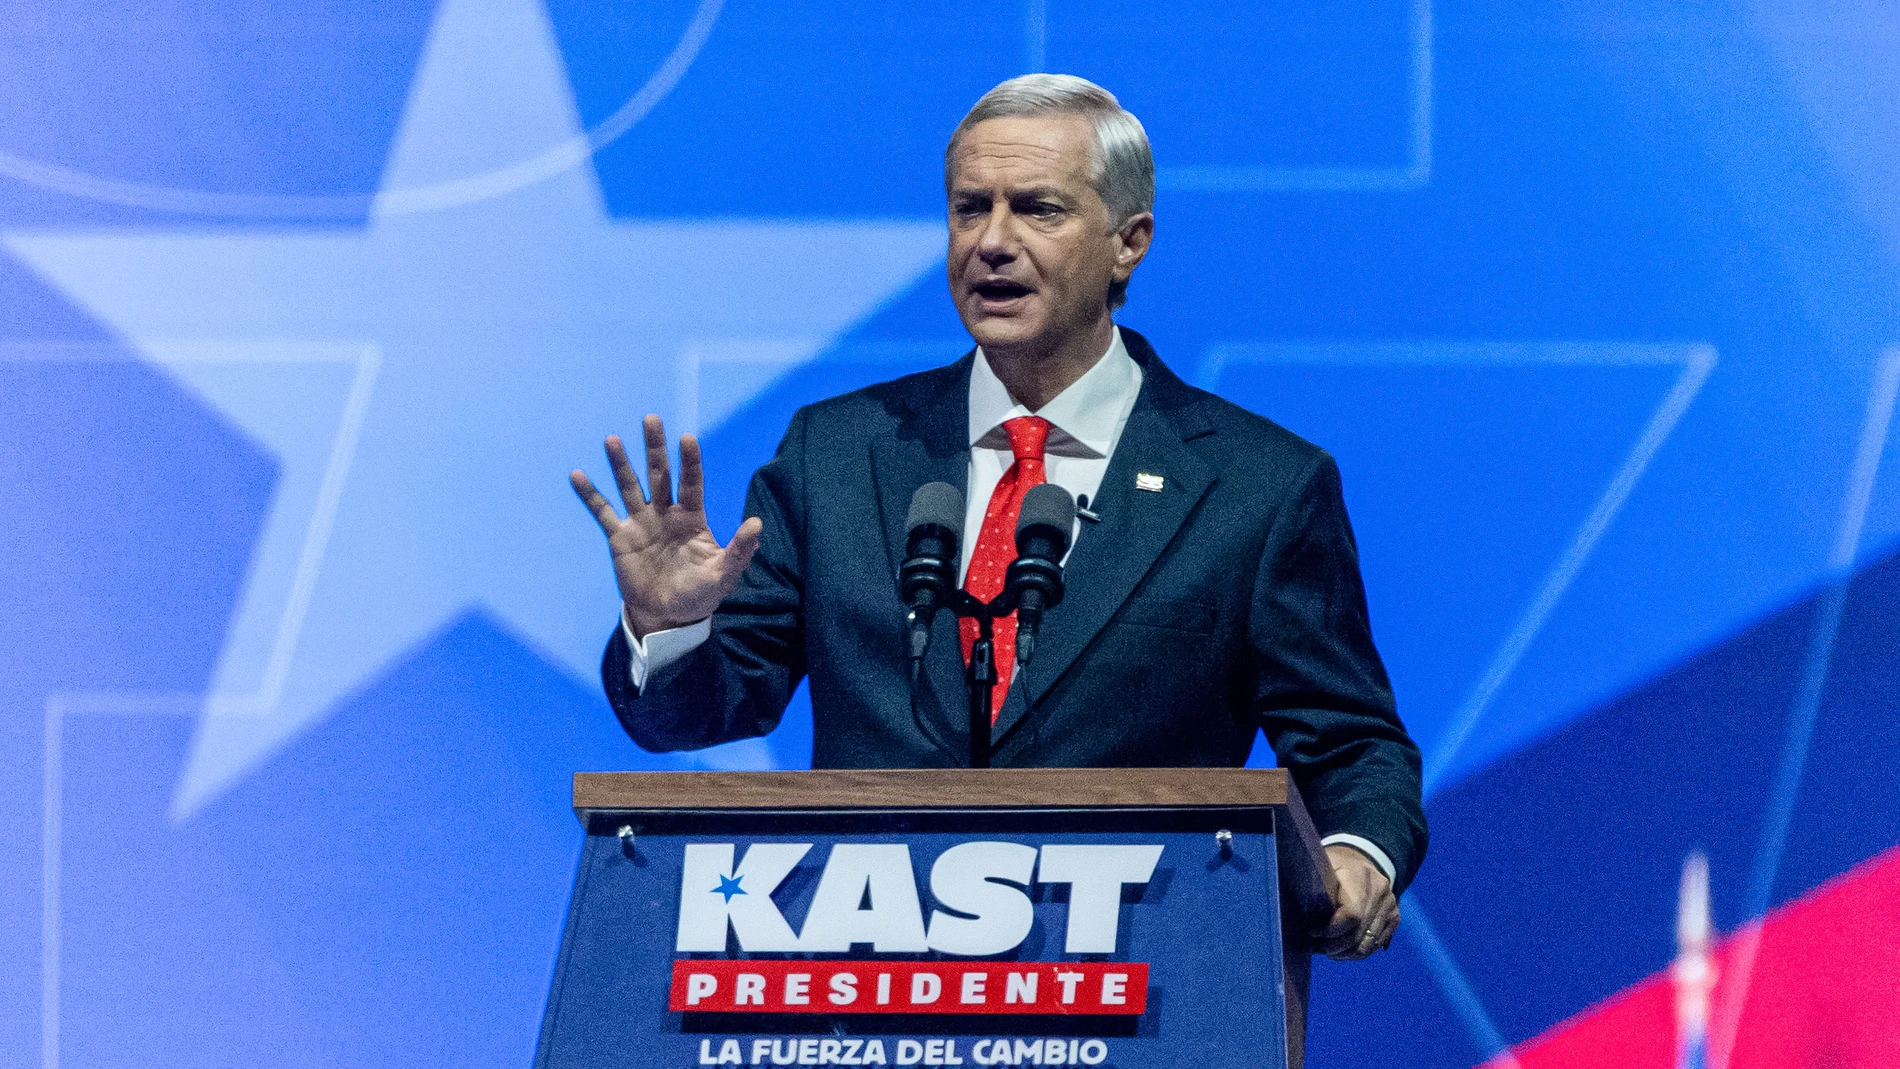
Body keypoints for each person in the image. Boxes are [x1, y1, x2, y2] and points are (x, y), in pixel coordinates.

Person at [571, 74, 1426, 1053]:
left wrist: (1357, 858)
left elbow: (1351, 742)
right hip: (863, 1005)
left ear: (1128, 243)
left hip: (1138, 1003)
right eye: (969, 207)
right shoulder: (838, 453)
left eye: (1038, 208)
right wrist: (671, 627)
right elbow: (709, 707)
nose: (991, 240)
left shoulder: (1256, 486)